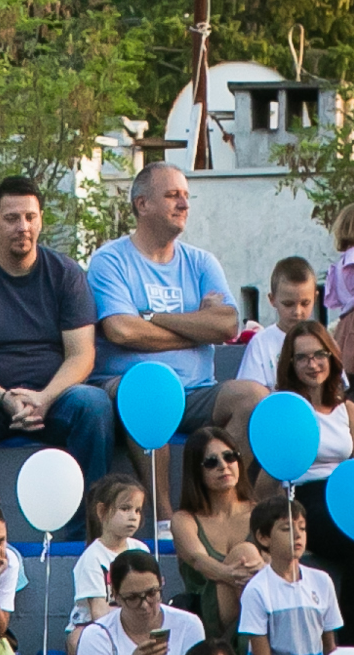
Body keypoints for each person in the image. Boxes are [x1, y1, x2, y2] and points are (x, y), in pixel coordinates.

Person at [0, 175, 121, 477]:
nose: (23, 227)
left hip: (56, 401)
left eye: (31, 217)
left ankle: (92, 521)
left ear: (41, 220)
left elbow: (81, 354)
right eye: (11, 218)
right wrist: (5, 397)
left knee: (93, 404)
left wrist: (44, 398)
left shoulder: (66, 275)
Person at [88, 162, 245, 503]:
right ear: (142, 204)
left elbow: (228, 325)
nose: (184, 204)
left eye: (186, 196)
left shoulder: (202, 262)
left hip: (195, 392)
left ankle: (218, 506)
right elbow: (121, 330)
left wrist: (154, 317)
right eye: (173, 195)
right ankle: (163, 518)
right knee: (151, 384)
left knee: (252, 398)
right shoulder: (110, 261)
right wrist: (198, 329)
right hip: (130, 390)